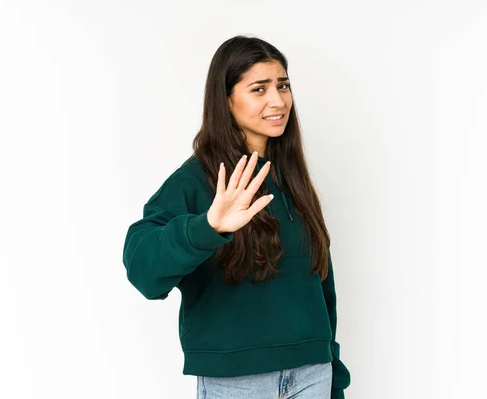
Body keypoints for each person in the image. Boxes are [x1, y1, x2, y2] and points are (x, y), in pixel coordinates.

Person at [122, 35, 351, 398]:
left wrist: (333, 376)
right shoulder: (197, 180)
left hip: (312, 376)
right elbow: (143, 271)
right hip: (238, 383)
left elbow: (321, 287)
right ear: (226, 100)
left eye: (283, 86)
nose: (278, 101)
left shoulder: (292, 179)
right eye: (259, 89)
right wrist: (207, 227)